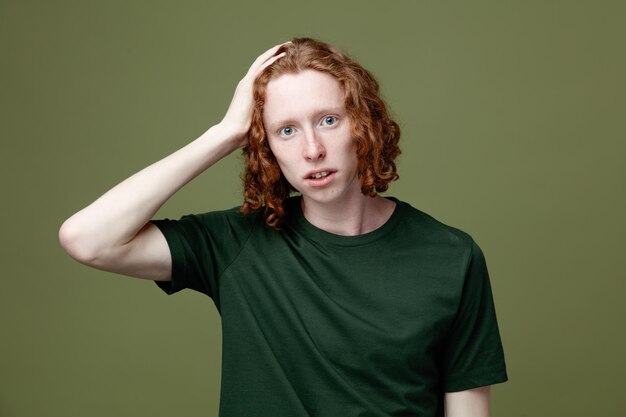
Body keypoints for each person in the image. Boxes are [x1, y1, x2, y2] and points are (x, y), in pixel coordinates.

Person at [59, 37, 508, 417]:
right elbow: (87, 239)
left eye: (328, 120)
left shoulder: (451, 256)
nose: (312, 149)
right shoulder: (235, 244)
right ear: (266, 147)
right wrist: (225, 133)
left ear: (363, 124)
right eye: (286, 131)